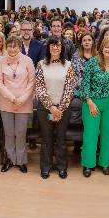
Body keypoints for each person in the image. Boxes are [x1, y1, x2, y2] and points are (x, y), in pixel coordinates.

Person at [35, 36, 76, 179]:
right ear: (48, 48)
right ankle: (45, 166)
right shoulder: (41, 64)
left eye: (58, 45)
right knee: (46, 139)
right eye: (52, 45)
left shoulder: (69, 65)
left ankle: (61, 167)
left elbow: (70, 88)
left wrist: (61, 108)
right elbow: (39, 87)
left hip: (63, 109)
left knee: (61, 139)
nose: (55, 48)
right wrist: (51, 107)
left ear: (62, 48)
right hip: (45, 108)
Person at [0, 36, 35, 174]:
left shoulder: (28, 61)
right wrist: (12, 98)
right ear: (6, 47)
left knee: (21, 133)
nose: (12, 49)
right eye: (10, 46)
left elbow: (32, 82)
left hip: (24, 103)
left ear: (20, 47)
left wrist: (22, 99)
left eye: (15, 46)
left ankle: (21, 161)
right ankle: (10, 160)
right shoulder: (1, 61)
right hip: (6, 102)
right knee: (9, 133)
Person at [79, 36, 109, 177]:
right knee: (91, 134)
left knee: (108, 134)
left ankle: (104, 163)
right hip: (92, 102)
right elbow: (84, 84)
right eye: (107, 47)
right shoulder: (92, 62)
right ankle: (88, 164)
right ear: (102, 48)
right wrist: (89, 101)